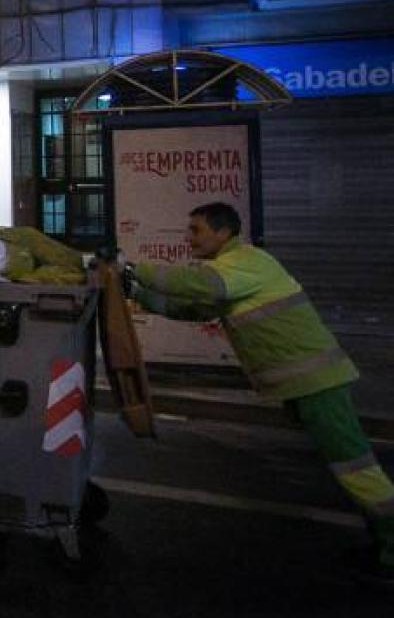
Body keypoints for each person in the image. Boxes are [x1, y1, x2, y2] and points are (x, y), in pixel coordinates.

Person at [129, 201, 394, 584]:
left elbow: (202, 287)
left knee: (355, 467)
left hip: (317, 382)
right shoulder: (232, 271)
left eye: (197, 230)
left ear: (223, 233)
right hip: (309, 382)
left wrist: (134, 268)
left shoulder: (247, 262)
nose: (189, 238)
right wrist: (138, 293)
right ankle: (381, 539)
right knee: (349, 465)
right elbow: (195, 310)